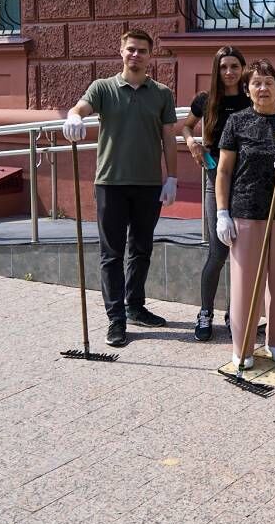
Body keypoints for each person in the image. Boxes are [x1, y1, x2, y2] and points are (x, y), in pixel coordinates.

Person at [62, 29, 178, 348]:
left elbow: (169, 137)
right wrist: (73, 116)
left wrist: (172, 177)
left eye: (142, 50)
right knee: (111, 253)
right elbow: (83, 107)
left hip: (148, 184)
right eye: (131, 49)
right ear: (121, 52)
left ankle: (135, 306)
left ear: (150, 55)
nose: (136, 55)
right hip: (110, 183)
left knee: (141, 248)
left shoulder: (161, 93)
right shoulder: (103, 88)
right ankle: (116, 319)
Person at [214, 59, 275, 368]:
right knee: (245, 281)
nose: (262, 88)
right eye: (256, 83)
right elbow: (223, 171)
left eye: (268, 82)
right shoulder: (237, 122)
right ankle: (242, 346)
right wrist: (222, 212)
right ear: (247, 89)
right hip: (245, 211)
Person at [181, 46, 250, 341]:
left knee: (244, 250)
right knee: (219, 250)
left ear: (243, 68)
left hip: (247, 184)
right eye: (224, 67)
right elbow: (184, 126)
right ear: (217, 70)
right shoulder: (206, 100)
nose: (229, 72)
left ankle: (236, 311)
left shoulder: (250, 100)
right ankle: (205, 311)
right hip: (215, 180)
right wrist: (192, 142)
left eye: (235, 66)